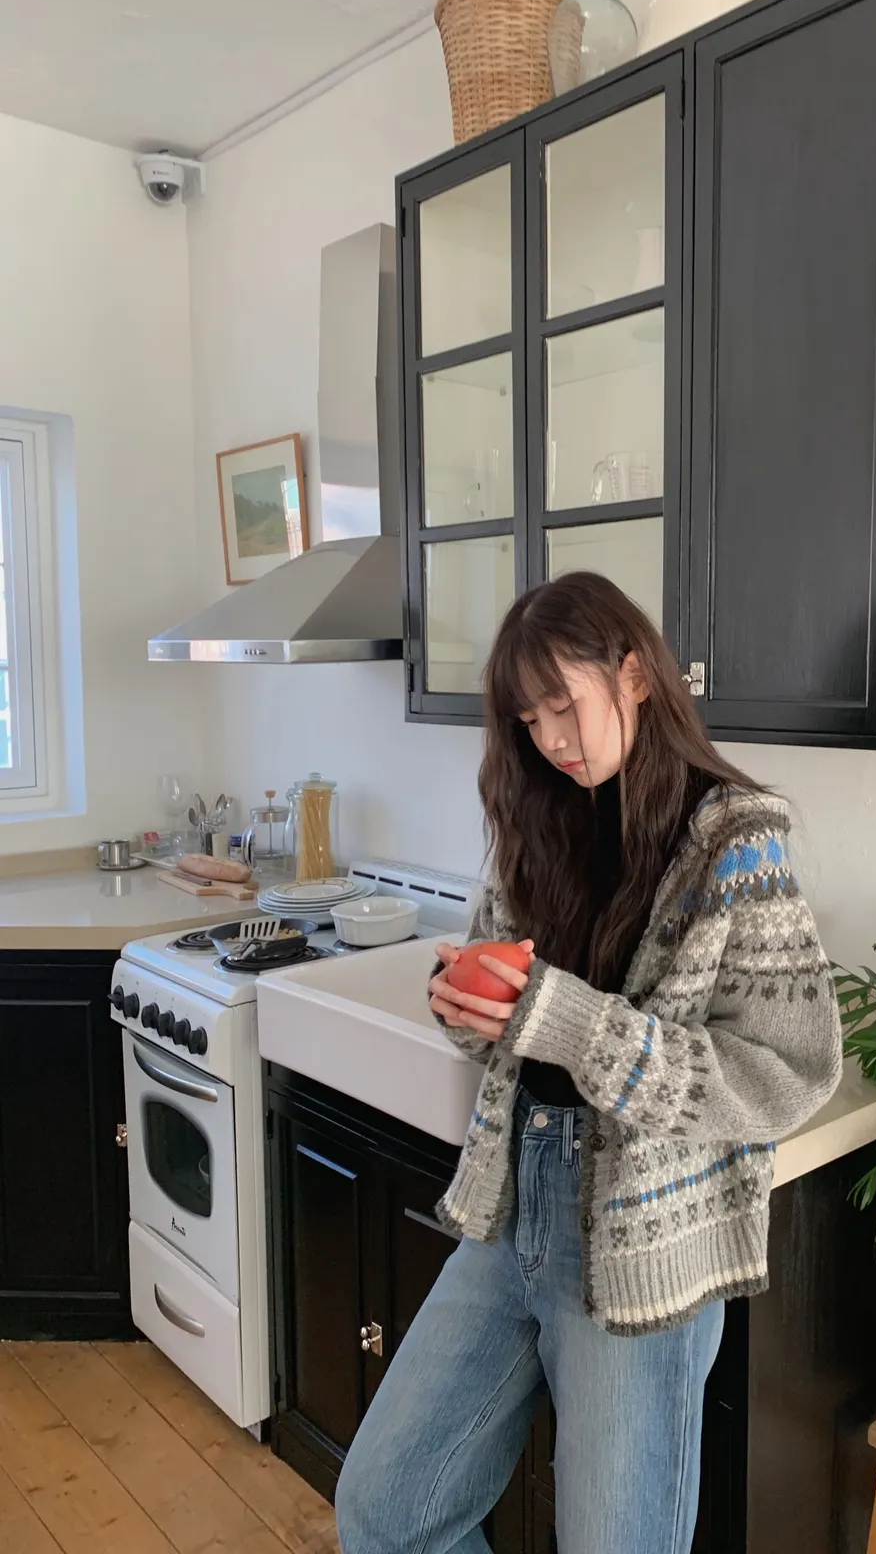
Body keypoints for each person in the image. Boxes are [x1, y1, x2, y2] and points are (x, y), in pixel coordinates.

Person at [335, 571, 843, 1554]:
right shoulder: (540, 821)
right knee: (386, 1511)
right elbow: (519, 1019)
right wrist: (469, 1009)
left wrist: (560, 1020)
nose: (551, 739)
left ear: (635, 672)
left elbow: (786, 1071)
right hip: (512, 1203)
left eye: (563, 704)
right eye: (529, 720)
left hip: (643, 1240)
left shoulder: (736, 841)